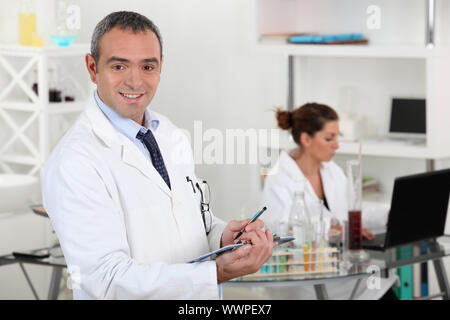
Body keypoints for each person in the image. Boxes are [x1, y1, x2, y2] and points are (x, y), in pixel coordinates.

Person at [42, 11, 274, 300]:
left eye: (147, 67)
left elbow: (191, 221)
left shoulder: (168, 134)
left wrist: (223, 237)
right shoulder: (75, 162)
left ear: (160, 67)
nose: (135, 81)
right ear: (92, 68)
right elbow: (104, 280)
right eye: (119, 66)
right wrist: (217, 272)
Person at [259, 103, 397, 300]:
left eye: (337, 137)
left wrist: (389, 214)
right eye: (329, 138)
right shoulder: (279, 178)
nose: (337, 145)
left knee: (384, 292)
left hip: (339, 269)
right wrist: (336, 230)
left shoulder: (331, 170)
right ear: (306, 139)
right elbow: (281, 231)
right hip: (303, 276)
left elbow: (353, 212)